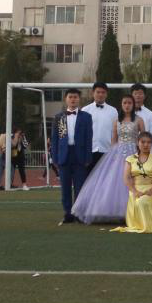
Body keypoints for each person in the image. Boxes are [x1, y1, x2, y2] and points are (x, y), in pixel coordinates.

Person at [73, 95, 143, 224]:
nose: (127, 105)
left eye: (129, 103)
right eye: (124, 103)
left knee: (133, 180)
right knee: (115, 182)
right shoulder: (117, 120)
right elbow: (114, 140)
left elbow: (143, 138)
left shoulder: (139, 120)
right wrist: (112, 155)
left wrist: (142, 154)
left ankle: (134, 211)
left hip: (134, 153)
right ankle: (118, 212)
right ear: (121, 105)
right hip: (118, 154)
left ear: (133, 105)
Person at [51, 88, 93, 225]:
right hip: (64, 155)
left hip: (80, 155)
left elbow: (89, 138)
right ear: (66, 99)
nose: (73, 99)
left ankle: (79, 213)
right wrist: (54, 158)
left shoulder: (86, 117)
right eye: (70, 97)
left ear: (79, 99)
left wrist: (88, 157)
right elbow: (55, 139)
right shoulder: (59, 117)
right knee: (65, 187)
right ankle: (68, 213)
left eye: (75, 97)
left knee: (80, 186)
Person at [120, 132, 152, 233]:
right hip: (135, 190)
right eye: (143, 142)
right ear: (138, 143)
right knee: (139, 201)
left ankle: (149, 225)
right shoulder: (130, 159)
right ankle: (139, 224)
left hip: (151, 190)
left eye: (149, 142)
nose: (146, 145)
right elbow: (126, 178)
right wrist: (134, 191)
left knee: (142, 202)